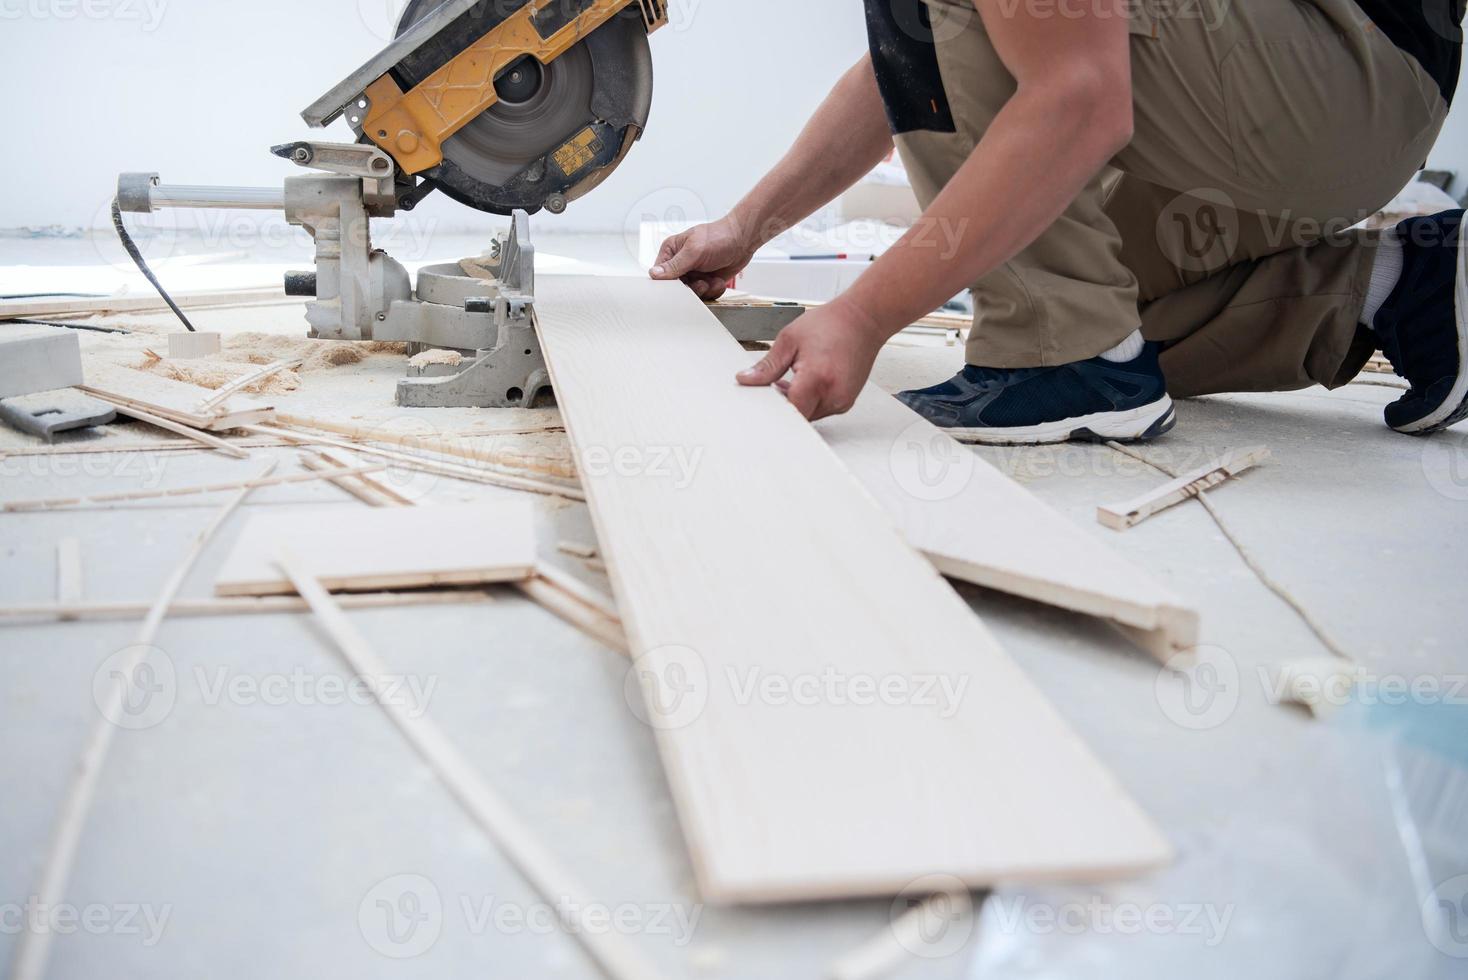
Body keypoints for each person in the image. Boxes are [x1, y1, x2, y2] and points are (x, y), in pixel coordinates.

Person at [651, 0, 1467, 444]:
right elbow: (916, 58)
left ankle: (1061, 357)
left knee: (1069, 299)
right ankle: (1401, 280)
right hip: (1347, 93)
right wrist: (748, 224)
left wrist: (864, 316)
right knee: (1099, 285)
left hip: (1349, 58)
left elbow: (1078, 93)